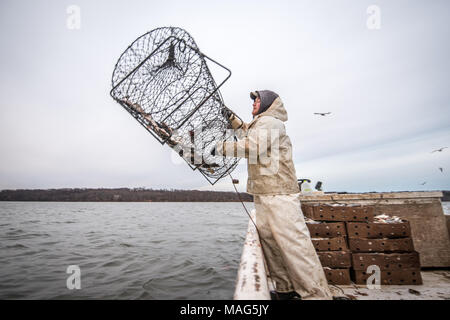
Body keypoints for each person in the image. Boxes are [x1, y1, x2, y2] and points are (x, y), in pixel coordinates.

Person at [214, 90, 333, 300]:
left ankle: (317, 296)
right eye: (253, 100)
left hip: (280, 195)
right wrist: (231, 118)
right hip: (264, 194)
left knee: (295, 246)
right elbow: (246, 133)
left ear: (268, 104)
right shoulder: (259, 125)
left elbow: (253, 146)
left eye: (258, 99)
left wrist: (221, 148)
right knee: (272, 246)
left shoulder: (270, 122)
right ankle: (285, 290)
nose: (254, 102)